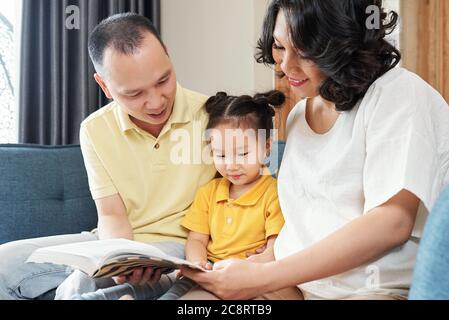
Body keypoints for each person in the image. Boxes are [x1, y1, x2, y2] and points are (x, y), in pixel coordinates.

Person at [180, 0, 449, 300]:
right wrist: (253, 266)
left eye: (305, 52)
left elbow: (391, 223)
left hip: (374, 289)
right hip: (299, 286)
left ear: (343, 45)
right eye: (280, 47)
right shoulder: (300, 113)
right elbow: (311, 224)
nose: (286, 66)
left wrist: (264, 276)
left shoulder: (397, 95)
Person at [0, 13, 217, 300]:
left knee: (82, 284)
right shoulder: (94, 129)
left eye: (163, 80)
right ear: (104, 86)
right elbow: (112, 214)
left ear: (167, 55)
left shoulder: (215, 115)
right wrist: (119, 257)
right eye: (134, 93)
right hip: (113, 242)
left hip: (181, 246)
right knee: (4, 262)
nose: (155, 101)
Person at [77, 90, 287, 300]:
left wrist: (247, 266)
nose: (231, 164)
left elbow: (274, 249)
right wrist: (198, 264)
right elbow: (196, 239)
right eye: (220, 154)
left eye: (242, 153)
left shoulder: (273, 193)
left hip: (246, 273)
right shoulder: (210, 191)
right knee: (176, 289)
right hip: (208, 270)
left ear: (267, 148)